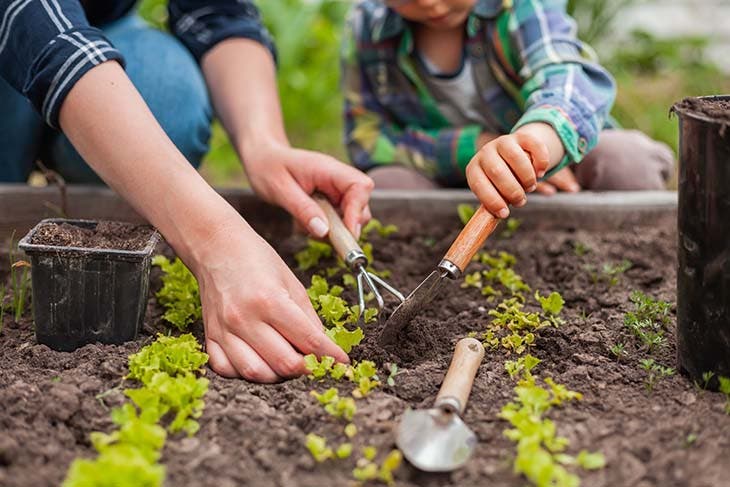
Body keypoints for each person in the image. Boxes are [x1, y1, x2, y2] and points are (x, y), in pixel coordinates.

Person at [0, 0, 375, 382]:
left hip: (98, 21)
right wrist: (214, 239)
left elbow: (218, 12)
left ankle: (90, 153)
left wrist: (263, 144)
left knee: (169, 100)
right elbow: (33, 22)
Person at [342, 0, 674, 218]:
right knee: (385, 184)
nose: (429, 2)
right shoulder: (367, 27)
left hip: (559, 158)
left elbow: (566, 75)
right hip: (449, 183)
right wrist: (475, 149)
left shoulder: (520, 7)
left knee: (628, 161)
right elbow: (367, 139)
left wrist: (536, 145)